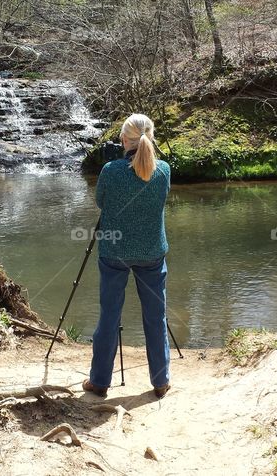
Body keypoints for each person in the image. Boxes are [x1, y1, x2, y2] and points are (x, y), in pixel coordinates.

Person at [83, 113, 172, 399]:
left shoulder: (110, 170)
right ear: (152, 138)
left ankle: (99, 382)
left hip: (114, 252)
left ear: (124, 139)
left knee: (109, 314)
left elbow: (100, 202)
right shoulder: (164, 170)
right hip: (151, 252)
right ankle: (160, 381)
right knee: (155, 316)